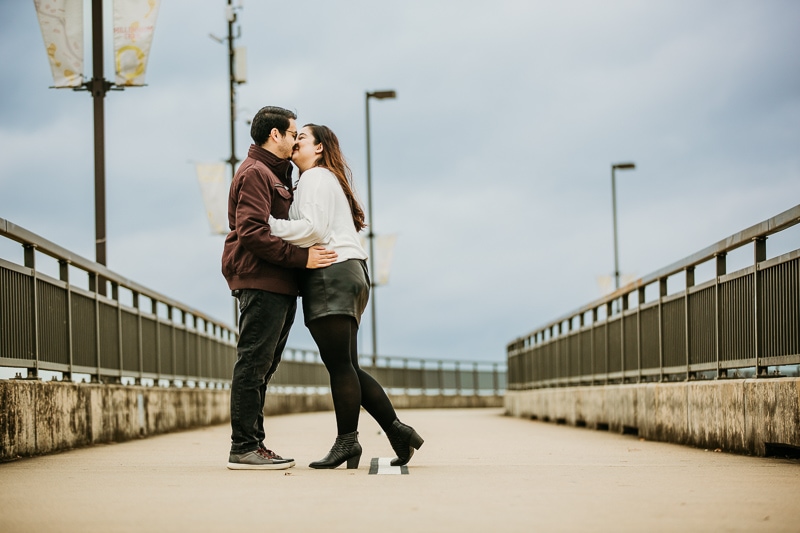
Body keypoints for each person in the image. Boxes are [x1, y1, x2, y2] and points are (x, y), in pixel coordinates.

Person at [269, 123, 423, 469]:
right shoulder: (324, 180)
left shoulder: (314, 178)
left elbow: (312, 229)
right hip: (349, 272)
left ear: (320, 148)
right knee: (347, 365)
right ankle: (398, 432)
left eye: (302, 138)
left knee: (340, 366)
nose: (295, 142)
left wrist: (268, 225)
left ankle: (348, 442)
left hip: (330, 274)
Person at [222, 107, 338, 470]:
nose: (295, 139)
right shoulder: (256, 173)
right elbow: (253, 232)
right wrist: (302, 259)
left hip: (276, 281)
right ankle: (244, 447)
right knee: (253, 364)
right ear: (275, 135)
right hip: (261, 278)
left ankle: (253, 444)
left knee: (263, 367)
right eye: (292, 133)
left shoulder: (276, 173)